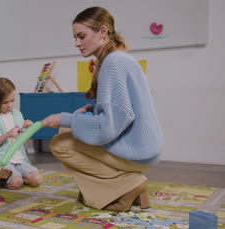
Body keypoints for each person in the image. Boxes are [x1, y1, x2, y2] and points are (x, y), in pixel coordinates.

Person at [42, 6, 163, 212]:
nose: (77, 43)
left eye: (82, 36)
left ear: (103, 31)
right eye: (75, 38)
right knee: (66, 133)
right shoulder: (118, 58)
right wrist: (92, 107)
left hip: (136, 151)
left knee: (60, 144)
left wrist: (64, 118)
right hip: (144, 146)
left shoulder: (112, 63)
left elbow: (108, 126)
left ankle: (127, 185)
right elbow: (125, 108)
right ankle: (120, 185)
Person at [0, 78, 43, 189]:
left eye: (12, 101)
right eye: (5, 102)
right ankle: (7, 179)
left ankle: (15, 178)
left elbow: (21, 137)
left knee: (37, 180)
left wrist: (27, 129)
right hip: (1, 159)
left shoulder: (16, 114)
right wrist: (7, 134)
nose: (10, 105)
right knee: (16, 183)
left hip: (19, 159)